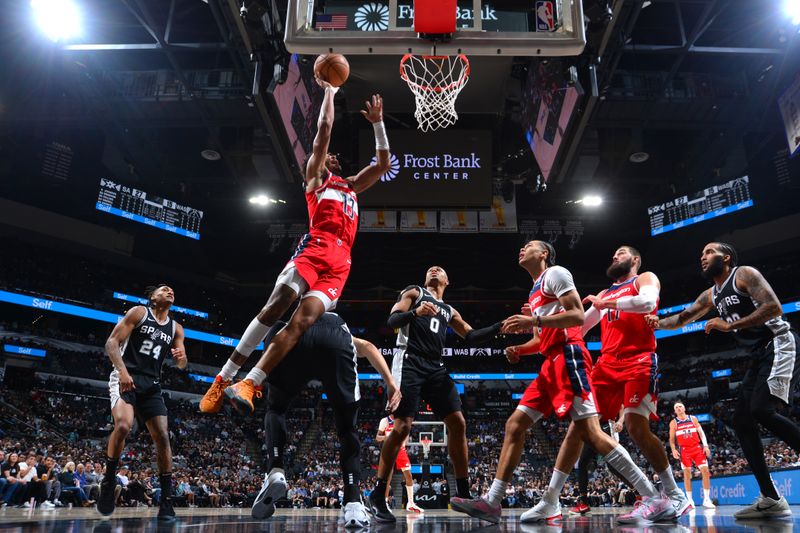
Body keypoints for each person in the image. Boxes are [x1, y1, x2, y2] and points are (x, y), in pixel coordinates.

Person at [199, 84, 391, 416]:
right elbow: (324, 131)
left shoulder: (352, 186)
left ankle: (252, 382)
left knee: (302, 322)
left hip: (340, 264)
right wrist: (330, 91)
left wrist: (377, 122)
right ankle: (224, 377)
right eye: (329, 154)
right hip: (314, 250)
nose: (332, 155)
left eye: (335, 157)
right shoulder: (316, 178)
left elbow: (384, 163)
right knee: (278, 306)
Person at [450, 241, 674, 524]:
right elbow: (542, 337)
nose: (521, 248)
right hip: (550, 363)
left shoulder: (555, 273)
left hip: (570, 357)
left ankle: (653, 496)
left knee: (591, 432)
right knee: (515, 425)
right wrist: (521, 348)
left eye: (529, 246)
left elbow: (577, 316)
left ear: (543, 254)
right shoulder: (534, 292)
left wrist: (536, 320)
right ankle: (492, 502)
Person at [647, 242, 799, 520]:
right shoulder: (711, 295)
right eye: (701, 254)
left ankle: (772, 497)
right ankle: (771, 498)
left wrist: (730, 325)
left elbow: (773, 307)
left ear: (725, 257)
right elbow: (683, 318)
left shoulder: (744, 274)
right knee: (742, 420)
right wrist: (656, 323)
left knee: (761, 410)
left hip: (779, 342)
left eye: (708, 252)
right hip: (758, 354)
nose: (702, 257)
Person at [369, 266, 503, 523]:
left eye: (440, 270)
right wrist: (414, 312)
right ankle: (378, 494)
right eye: (431, 269)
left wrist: (499, 326)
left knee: (458, 422)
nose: (434, 270)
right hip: (409, 361)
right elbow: (392, 321)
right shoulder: (415, 292)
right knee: (401, 428)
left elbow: (471, 335)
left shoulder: (449, 310)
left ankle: (464, 494)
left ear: (447, 280)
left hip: (436, 366)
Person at [250, 312, 401, 529]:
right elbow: (368, 346)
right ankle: (352, 502)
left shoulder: (296, 306)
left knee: (276, 409)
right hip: (335, 337)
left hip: (290, 331)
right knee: (347, 430)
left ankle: (275, 470)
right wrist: (391, 383)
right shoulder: (334, 318)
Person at [581, 245, 691, 517]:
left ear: (635, 259)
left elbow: (647, 303)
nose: (614, 257)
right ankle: (650, 495)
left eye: (620, 253)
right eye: (613, 254)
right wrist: (541, 322)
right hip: (606, 363)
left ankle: (675, 494)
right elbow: (579, 328)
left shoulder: (644, 278)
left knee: (635, 426)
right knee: (585, 428)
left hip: (638, 359)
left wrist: (605, 304)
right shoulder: (606, 293)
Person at [97, 284, 188, 521]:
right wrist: (123, 371)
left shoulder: (176, 328)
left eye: (172, 290)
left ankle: (166, 501)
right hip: (126, 376)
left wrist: (182, 358)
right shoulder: (139, 312)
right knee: (124, 426)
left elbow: (182, 364)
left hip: (152, 384)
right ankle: (108, 481)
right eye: (164, 289)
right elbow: (111, 343)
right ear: (152, 297)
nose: (170, 291)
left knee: (163, 436)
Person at [669, 401, 714, 509]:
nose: (679, 408)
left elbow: (701, 433)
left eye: (680, 406)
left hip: (697, 448)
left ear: (684, 409)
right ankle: (690, 500)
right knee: (687, 474)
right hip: (684, 450)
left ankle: (707, 499)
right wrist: (674, 450)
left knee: (705, 472)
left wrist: (706, 446)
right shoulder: (673, 422)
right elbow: (671, 439)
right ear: (675, 411)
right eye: (676, 407)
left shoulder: (693, 418)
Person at [376, 415, 424, 513]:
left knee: (409, 476)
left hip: (400, 450)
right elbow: (377, 437)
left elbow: (406, 436)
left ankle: (410, 503)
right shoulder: (385, 421)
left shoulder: (402, 420)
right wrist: (387, 437)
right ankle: (384, 502)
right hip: (389, 449)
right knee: (388, 476)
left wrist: (404, 441)